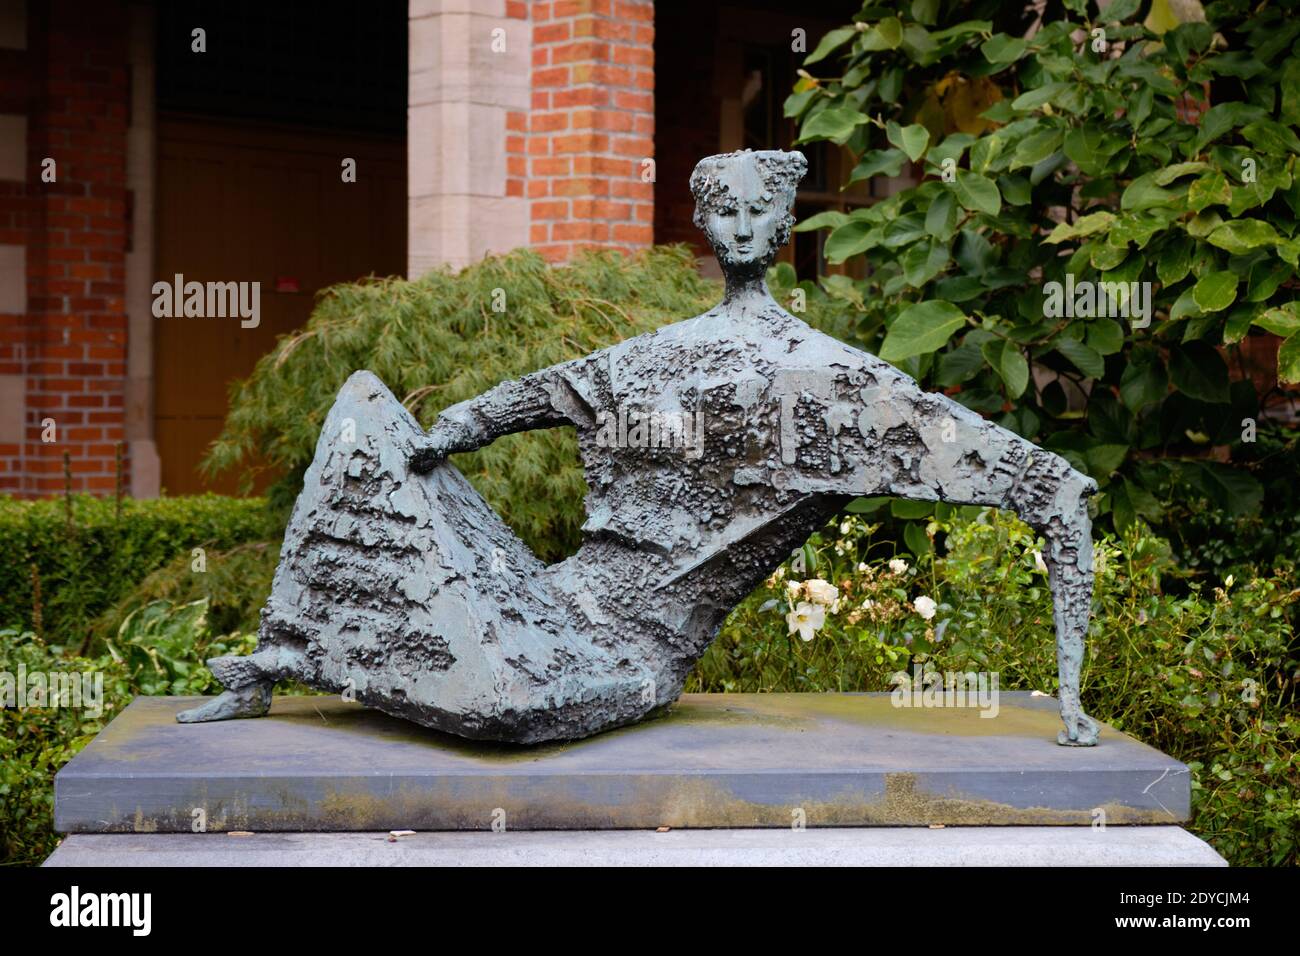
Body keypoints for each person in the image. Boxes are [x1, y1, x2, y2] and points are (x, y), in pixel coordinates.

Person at [182, 149, 1099, 746]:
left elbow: (1052, 492)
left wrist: (1072, 704)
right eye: (725, 211)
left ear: (785, 226)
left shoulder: (842, 389)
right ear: (706, 223)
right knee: (364, 417)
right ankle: (272, 660)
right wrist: (454, 427)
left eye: (760, 212)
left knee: (501, 707)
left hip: (631, 649)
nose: (741, 228)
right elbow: (544, 392)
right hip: (549, 597)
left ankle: (325, 660)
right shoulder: (660, 355)